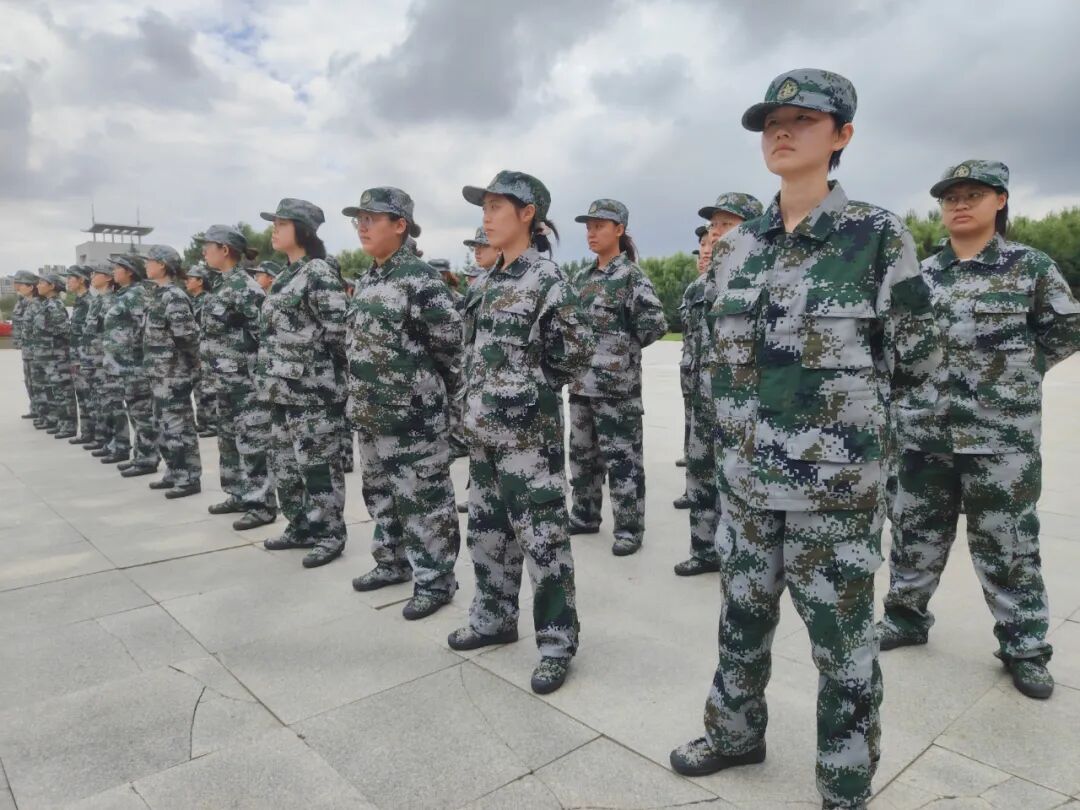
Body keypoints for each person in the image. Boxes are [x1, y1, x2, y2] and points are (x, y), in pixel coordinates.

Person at [668, 69, 944, 810]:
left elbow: (917, 359)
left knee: (843, 646)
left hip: (834, 494)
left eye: (802, 119)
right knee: (740, 620)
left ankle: (845, 780)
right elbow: (719, 366)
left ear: (842, 135)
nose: (781, 132)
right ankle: (734, 734)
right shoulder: (737, 247)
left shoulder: (876, 236)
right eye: (771, 122)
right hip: (746, 485)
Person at [878, 160, 1080, 700]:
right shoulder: (920, 276)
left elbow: (1066, 328)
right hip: (923, 434)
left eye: (973, 195)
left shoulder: (1029, 267)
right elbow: (897, 343)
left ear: (1000, 201)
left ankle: (1024, 646)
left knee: (1009, 543)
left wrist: (1022, 372)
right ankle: (905, 618)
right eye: (951, 198)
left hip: (1001, 438)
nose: (960, 205)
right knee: (914, 533)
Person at [449, 170, 595, 694]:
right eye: (483, 208)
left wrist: (531, 388)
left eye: (496, 207)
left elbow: (576, 351)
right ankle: (493, 618)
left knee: (543, 543)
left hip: (529, 441)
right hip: (485, 439)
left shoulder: (547, 279)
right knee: (487, 535)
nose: (486, 217)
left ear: (527, 213)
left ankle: (556, 643)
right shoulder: (488, 281)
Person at [344, 187, 463, 619]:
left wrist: (446, 408)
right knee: (381, 495)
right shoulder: (370, 279)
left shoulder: (421, 279)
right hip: (371, 413)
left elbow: (451, 349)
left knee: (424, 501)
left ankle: (435, 580)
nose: (362, 226)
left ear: (400, 225)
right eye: (358, 219)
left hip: (413, 419)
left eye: (371, 218)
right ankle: (392, 562)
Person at [568, 198, 667, 556]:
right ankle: (584, 515)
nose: (591, 233)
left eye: (599, 226)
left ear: (619, 230)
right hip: (581, 385)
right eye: (588, 227)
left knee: (623, 461)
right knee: (582, 457)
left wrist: (619, 353)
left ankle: (628, 529)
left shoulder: (630, 277)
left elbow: (655, 324)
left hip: (617, 390)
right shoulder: (582, 278)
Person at [673, 194, 764, 576]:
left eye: (727, 224)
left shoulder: (765, 280)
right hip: (703, 398)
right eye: (714, 225)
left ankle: (741, 558)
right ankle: (704, 549)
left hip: (746, 407)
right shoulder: (701, 287)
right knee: (700, 475)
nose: (715, 233)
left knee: (741, 485)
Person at [256, 199, 349, 568]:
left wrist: (328, 379)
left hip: (313, 392)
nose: (274, 230)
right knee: (285, 465)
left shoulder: (319, 272)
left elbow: (339, 332)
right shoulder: (285, 275)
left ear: (303, 230)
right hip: (282, 390)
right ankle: (300, 526)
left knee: (318, 467)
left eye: (281, 223)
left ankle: (329, 534)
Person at [199, 225, 278, 530]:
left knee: (253, 442)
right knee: (228, 442)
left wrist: (260, 379)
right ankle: (238, 494)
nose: (204, 251)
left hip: (245, 383)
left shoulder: (246, 288)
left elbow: (264, 337)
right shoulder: (221, 285)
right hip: (223, 381)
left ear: (225, 249)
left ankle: (261, 504)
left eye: (209, 246)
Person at [141, 246, 202, 498]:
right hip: (158, 374)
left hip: (173, 374)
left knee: (179, 427)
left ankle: (188, 478)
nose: (146, 265)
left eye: (150, 261)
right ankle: (174, 471)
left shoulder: (174, 297)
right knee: (162, 426)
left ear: (162, 265)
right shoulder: (157, 295)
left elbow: (187, 337)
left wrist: (190, 369)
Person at [454, 227, 501, 513]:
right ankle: (478, 496)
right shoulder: (478, 285)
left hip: (501, 387)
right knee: (478, 447)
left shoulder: (514, 282)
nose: (477, 250)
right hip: (475, 382)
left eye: (483, 245)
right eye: (475, 246)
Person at [103, 255, 160, 475]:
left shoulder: (137, 295)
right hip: (123, 365)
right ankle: (140, 455)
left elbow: (144, 331)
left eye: (117, 268)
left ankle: (148, 459)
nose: (113, 271)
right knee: (135, 413)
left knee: (142, 414)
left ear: (129, 271)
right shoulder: (124, 294)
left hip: (135, 365)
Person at [675, 225, 710, 482]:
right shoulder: (693, 289)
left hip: (712, 371)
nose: (705, 253)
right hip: (691, 368)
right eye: (702, 246)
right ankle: (691, 465)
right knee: (692, 420)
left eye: (710, 245)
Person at [86, 265, 130, 460]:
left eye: (96, 274)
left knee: (114, 404)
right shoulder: (97, 301)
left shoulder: (113, 301)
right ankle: (108, 441)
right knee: (102, 403)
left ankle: (121, 445)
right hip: (96, 359)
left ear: (107, 278)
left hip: (110, 361)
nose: (92, 277)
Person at [30, 270, 77, 439]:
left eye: (42, 283)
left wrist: (57, 350)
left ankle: (69, 425)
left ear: (51, 286)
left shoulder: (55, 305)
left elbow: (64, 331)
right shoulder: (47, 304)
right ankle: (60, 422)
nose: (38, 286)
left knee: (63, 392)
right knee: (54, 391)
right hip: (48, 356)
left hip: (56, 357)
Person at [63, 266, 98, 445]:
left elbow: (92, 333)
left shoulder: (89, 302)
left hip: (86, 357)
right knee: (82, 396)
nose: (67, 282)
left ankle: (98, 435)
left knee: (90, 396)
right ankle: (86, 433)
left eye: (71, 278)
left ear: (81, 280)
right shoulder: (79, 301)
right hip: (76, 356)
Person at [184, 263, 218, 438]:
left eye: (190, 278)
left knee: (207, 389)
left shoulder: (208, 300)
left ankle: (213, 423)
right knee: (198, 387)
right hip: (195, 351)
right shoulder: (193, 300)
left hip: (206, 351)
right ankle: (203, 421)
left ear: (200, 281)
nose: (186, 281)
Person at [10, 270, 41, 421]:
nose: (17, 286)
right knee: (29, 381)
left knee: (39, 381)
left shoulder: (38, 303)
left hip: (37, 349)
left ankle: (44, 412)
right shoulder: (22, 301)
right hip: (26, 348)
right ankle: (35, 408)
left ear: (30, 287)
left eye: (20, 283)